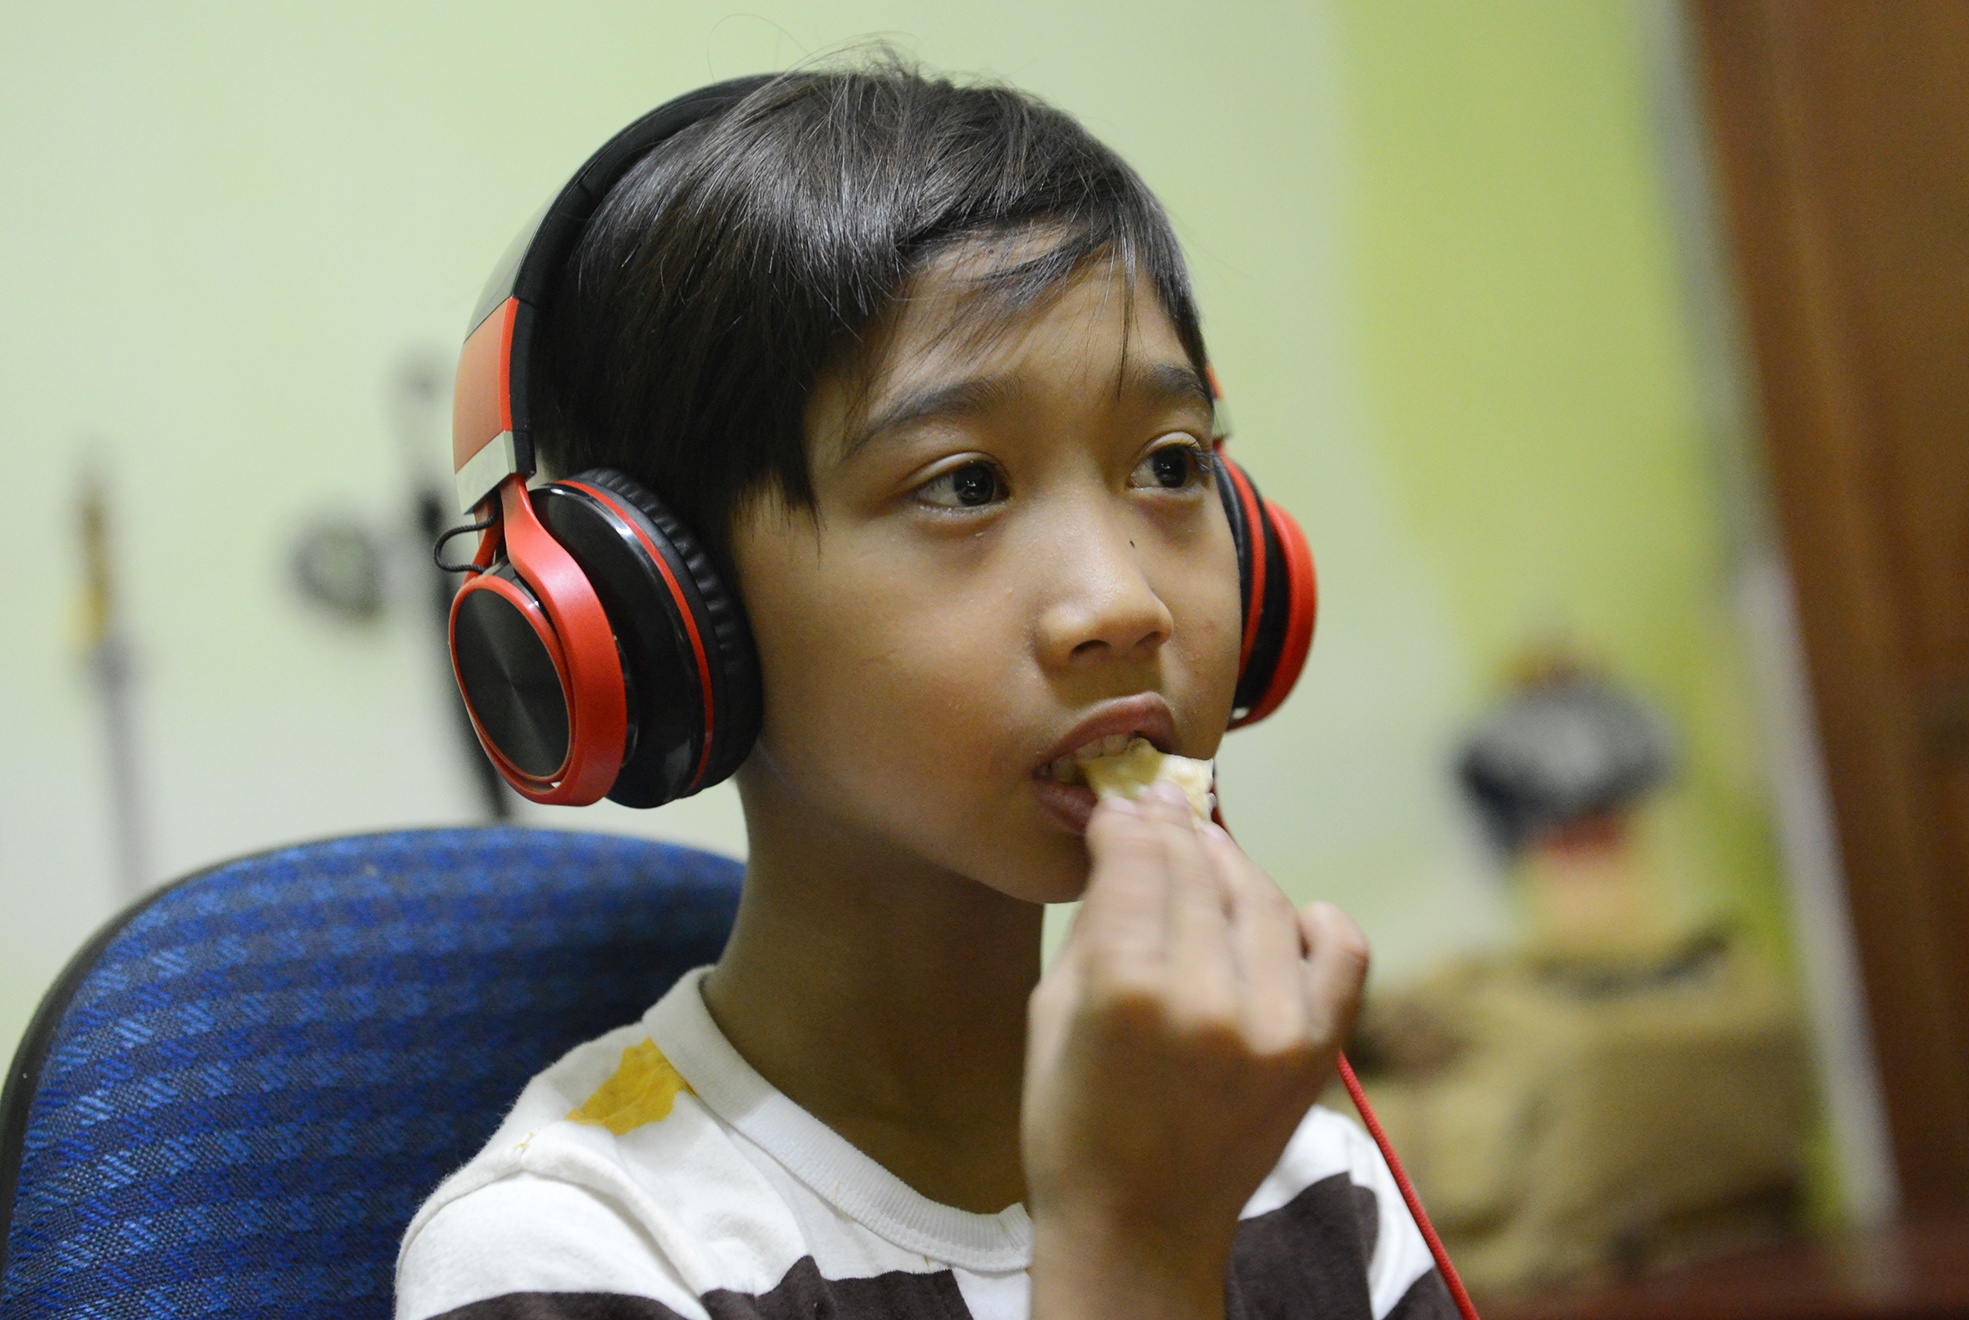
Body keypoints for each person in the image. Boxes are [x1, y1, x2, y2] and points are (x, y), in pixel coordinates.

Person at [397, 61, 1458, 1320]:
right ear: (661, 622)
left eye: (1171, 466)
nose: (1123, 602)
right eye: (965, 485)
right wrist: (1132, 1247)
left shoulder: (1310, 1186)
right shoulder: (577, 1255)